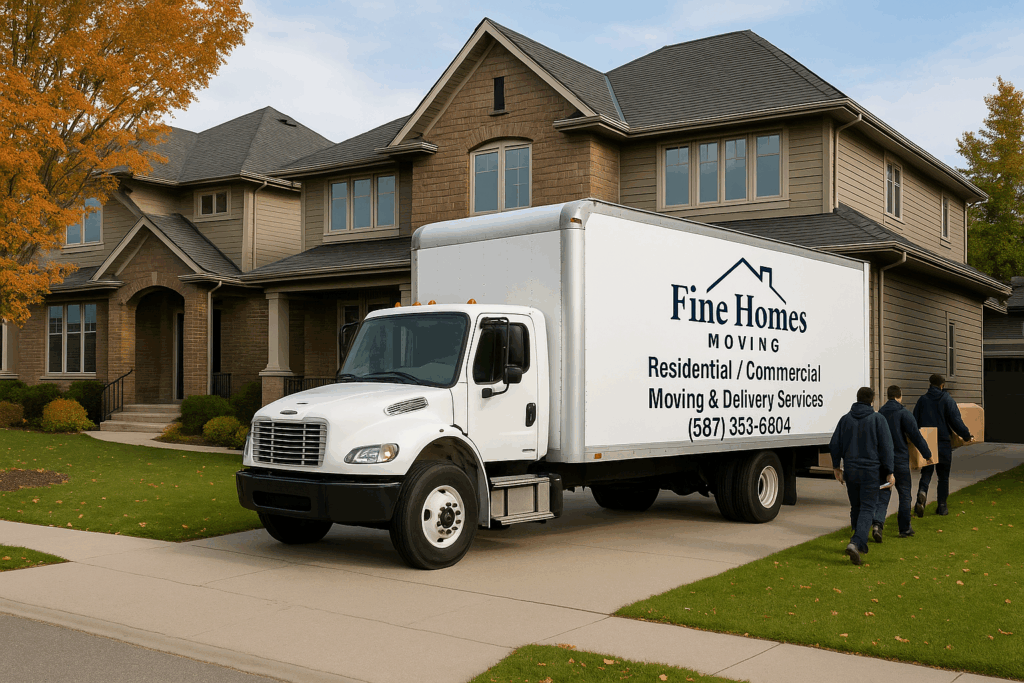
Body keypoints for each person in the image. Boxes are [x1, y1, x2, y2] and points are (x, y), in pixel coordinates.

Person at [829, 386, 896, 565]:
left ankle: (858, 539)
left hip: (851, 471)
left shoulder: (845, 420)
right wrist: (889, 471)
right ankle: (856, 542)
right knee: (868, 507)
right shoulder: (878, 419)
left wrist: (837, 466)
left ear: (857, 399)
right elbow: (887, 448)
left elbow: (834, 444)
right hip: (871, 471)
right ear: (872, 400)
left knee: (856, 507)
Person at [873, 385, 932, 540]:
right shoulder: (903, 413)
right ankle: (904, 528)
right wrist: (927, 454)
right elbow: (916, 436)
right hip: (899, 460)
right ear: (900, 396)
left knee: (883, 493)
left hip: (882, 461)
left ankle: (877, 525)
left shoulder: (879, 415)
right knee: (905, 494)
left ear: (887, 396)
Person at [913, 374, 973, 516]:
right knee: (943, 476)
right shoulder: (947, 399)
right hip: (943, 442)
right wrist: (966, 435)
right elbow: (955, 421)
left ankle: (921, 495)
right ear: (942, 385)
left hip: (927, 442)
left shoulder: (922, 400)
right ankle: (942, 506)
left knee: (926, 473)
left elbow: (914, 421)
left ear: (930, 384)